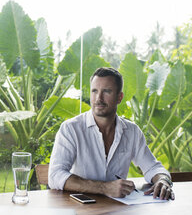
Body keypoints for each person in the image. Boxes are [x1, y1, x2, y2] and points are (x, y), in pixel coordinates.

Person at [48, 67, 174, 201]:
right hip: (80, 209)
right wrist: (104, 187)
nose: (98, 98)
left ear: (119, 97)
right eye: (94, 91)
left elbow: (153, 168)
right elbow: (55, 175)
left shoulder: (132, 132)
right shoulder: (71, 129)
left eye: (106, 91)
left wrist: (163, 180)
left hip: (118, 211)